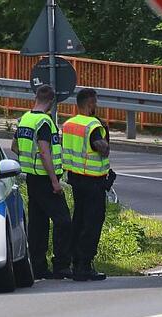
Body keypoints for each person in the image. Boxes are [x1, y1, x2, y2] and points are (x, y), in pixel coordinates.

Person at [11, 84, 73, 280]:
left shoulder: (25, 120)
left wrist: (29, 160)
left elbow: (15, 147)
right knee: (63, 222)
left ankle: (38, 266)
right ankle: (61, 265)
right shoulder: (44, 123)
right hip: (45, 180)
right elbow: (45, 152)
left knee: (38, 224)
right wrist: (55, 181)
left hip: (31, 179)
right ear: (52, 101)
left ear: (36, 97)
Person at [61, 88, 110, 281]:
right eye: (95, 102)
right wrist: (105, 134)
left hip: (75, 179)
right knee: (92, 223)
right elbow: (103, 149)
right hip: (93, 181)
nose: (97, 105)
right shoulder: (93, 125)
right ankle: (84, 265)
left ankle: (75, 262)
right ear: (90, 103)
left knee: (78, 220)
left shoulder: (69, 123)